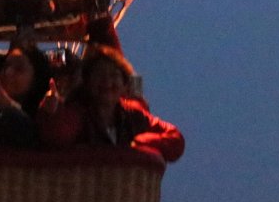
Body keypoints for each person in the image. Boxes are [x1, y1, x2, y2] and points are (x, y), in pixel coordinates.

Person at [37, 45, 183, 162]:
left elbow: (175, 139)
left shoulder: (133, 115)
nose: (107, 82)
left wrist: (141, 144)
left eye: (113, 76)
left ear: (124, 85)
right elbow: (58, 135)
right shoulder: (79, 113)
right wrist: (50, 113)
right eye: (99, 75)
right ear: (87, 83)